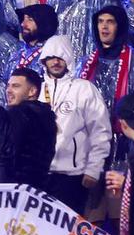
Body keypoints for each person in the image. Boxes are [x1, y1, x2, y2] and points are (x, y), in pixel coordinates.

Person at [38, 35, 113, 212]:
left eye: (60, 57)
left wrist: (93, 169)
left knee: (69, 234)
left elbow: (100, 131)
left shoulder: (84, 88)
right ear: (44, 60)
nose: (56, 62)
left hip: (72, 177)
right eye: (51, 58)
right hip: (40, 175)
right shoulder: (37, 90)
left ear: (69, 59)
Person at [79, 5, 134, 114]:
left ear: (120, 27)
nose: (104, 26)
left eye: (110, 22)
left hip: (126, 128)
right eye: (100, 21)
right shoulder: (86, 63)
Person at [5, 68, 58, 189]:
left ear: (32, 91)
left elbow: (9, 153)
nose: (8, 90)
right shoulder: (47, 116)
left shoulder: (17, 114)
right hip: (37, 188)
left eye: (16, 86)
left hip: (13, 188)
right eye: (8, 86)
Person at [14, 4, 59, 73]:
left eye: (30, 19)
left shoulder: (53, 56)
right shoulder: (18, 53)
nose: (23, 24)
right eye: (24, 19)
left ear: (44, 24)